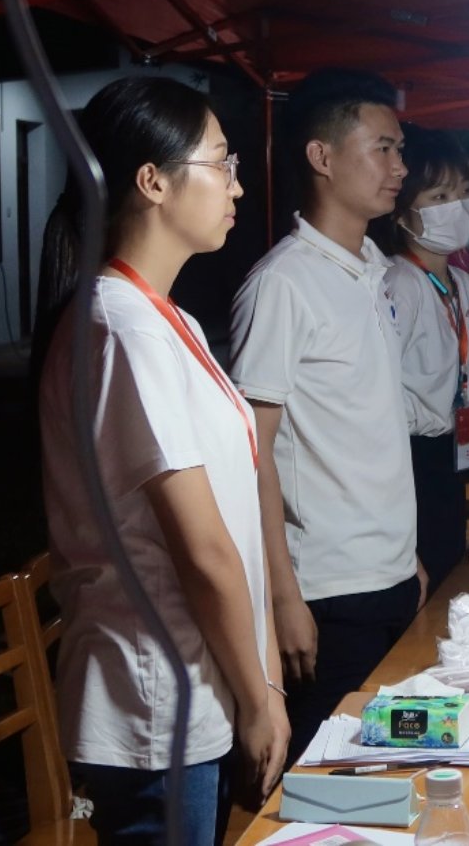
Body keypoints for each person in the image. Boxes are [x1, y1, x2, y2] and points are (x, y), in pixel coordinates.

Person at [36, 78, 287, 845]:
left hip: (197, 684)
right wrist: (259, 699)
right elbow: (203, 549)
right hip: (155, 703)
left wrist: (263, 680)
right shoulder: (122, 329)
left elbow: (233, 522)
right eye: (221, 163)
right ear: (153, 181)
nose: (236, 186)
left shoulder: (167, 320)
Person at [229, 68, 424, 764]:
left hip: (390, 573)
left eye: (400, 150)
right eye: (383, 148)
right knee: (326, 779)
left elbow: (366, 428)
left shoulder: (371, 268)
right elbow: (250, 452)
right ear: (322, 156)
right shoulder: (282, 284)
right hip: (328, 592)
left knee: (390, 769)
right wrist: (284, 599)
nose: (400, 168)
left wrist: (406, 557)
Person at [383, 124, 469, 593]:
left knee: (451, 563)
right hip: (410, 455)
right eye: (438, 197)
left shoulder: (463, 283)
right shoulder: (398, 283)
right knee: (423, 576)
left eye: (465, 192)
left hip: (454, 444)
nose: (457, 207)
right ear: (401, 212)